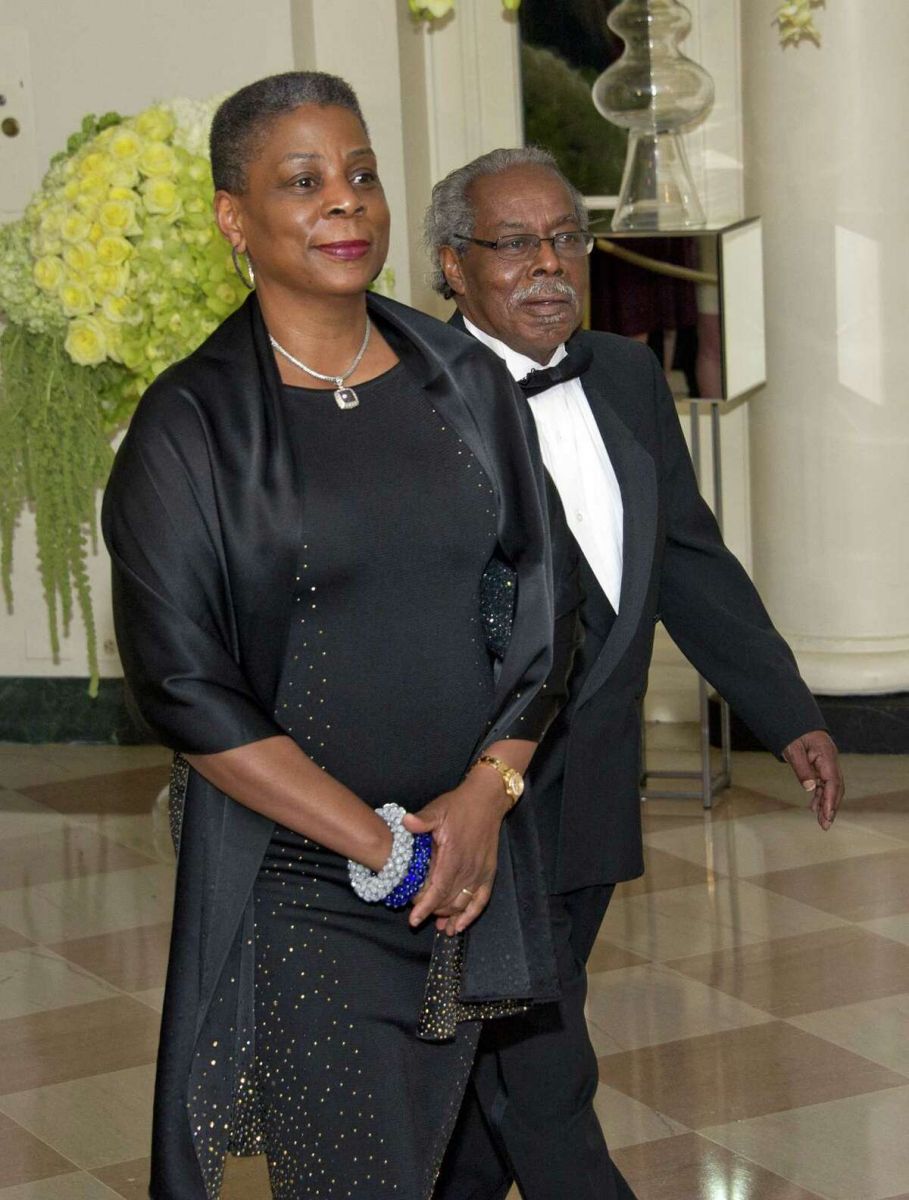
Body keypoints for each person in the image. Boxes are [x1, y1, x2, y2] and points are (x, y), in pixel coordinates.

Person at [102, 80, 579, 1200]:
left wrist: (482, 803)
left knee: (426, 1164)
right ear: (235, 218)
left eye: (359, 174)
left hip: (467, 858)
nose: (344, 203)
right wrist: (385, 847)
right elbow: (186, 688)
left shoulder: (462, 380)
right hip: (307, 875)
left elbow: (544, 605)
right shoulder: (191, 425)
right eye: (302, 182)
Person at [425, 146, 845, 1200]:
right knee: (541, 1055)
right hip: (478, 795)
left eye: (567, 237)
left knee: (504, 1042)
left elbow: (688, 557)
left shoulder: (620, 372)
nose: (548, 264)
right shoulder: (408, 399)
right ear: (451, 267)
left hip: (598, 784)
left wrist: (785, 710)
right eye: (514, 245)